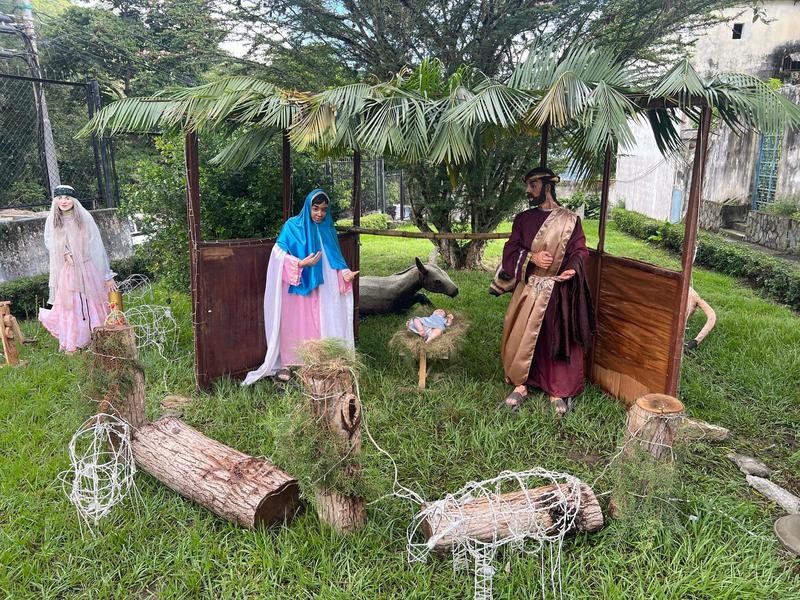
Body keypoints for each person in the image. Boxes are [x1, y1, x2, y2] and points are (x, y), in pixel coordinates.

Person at [497, 167, 594, 417]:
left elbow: (579, 250)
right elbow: (510, 251)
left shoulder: (570, 219)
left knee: (554, 336)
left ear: (547, 186)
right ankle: (521, 383)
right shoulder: (523, 220)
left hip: (557, 290)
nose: (528, 191)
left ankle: (556, 389)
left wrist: (573, 268)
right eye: (528, 185)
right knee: (524, 336)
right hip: (529, 290)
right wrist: (532, 257)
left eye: (533, 185)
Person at [243, 189, 358, 385]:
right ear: (308, 207)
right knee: (296, 323)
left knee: (320, 323)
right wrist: (299, 264)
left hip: (324, 289)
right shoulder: (292, 226)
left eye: (323, 209)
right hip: (299, 286)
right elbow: (277, 255)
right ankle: (289, 363)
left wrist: (344, 273)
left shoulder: (328, 229)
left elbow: (334, 260)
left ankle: (317, 361)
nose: (320, 214)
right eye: (315, 209)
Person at [38, 185, 117, 353]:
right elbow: (49, 241)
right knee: (71, 303)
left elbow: (96, 245)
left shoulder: (84, 217)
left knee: (91, 300)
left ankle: (97, 335)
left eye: (67, 197)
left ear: (73, 200)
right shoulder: (53, 220)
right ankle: (75, 339)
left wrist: (106, 275)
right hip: (69, 270)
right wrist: (64, 251)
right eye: (60, 198)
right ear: (55, 201)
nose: (64, 201)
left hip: (87, 267)